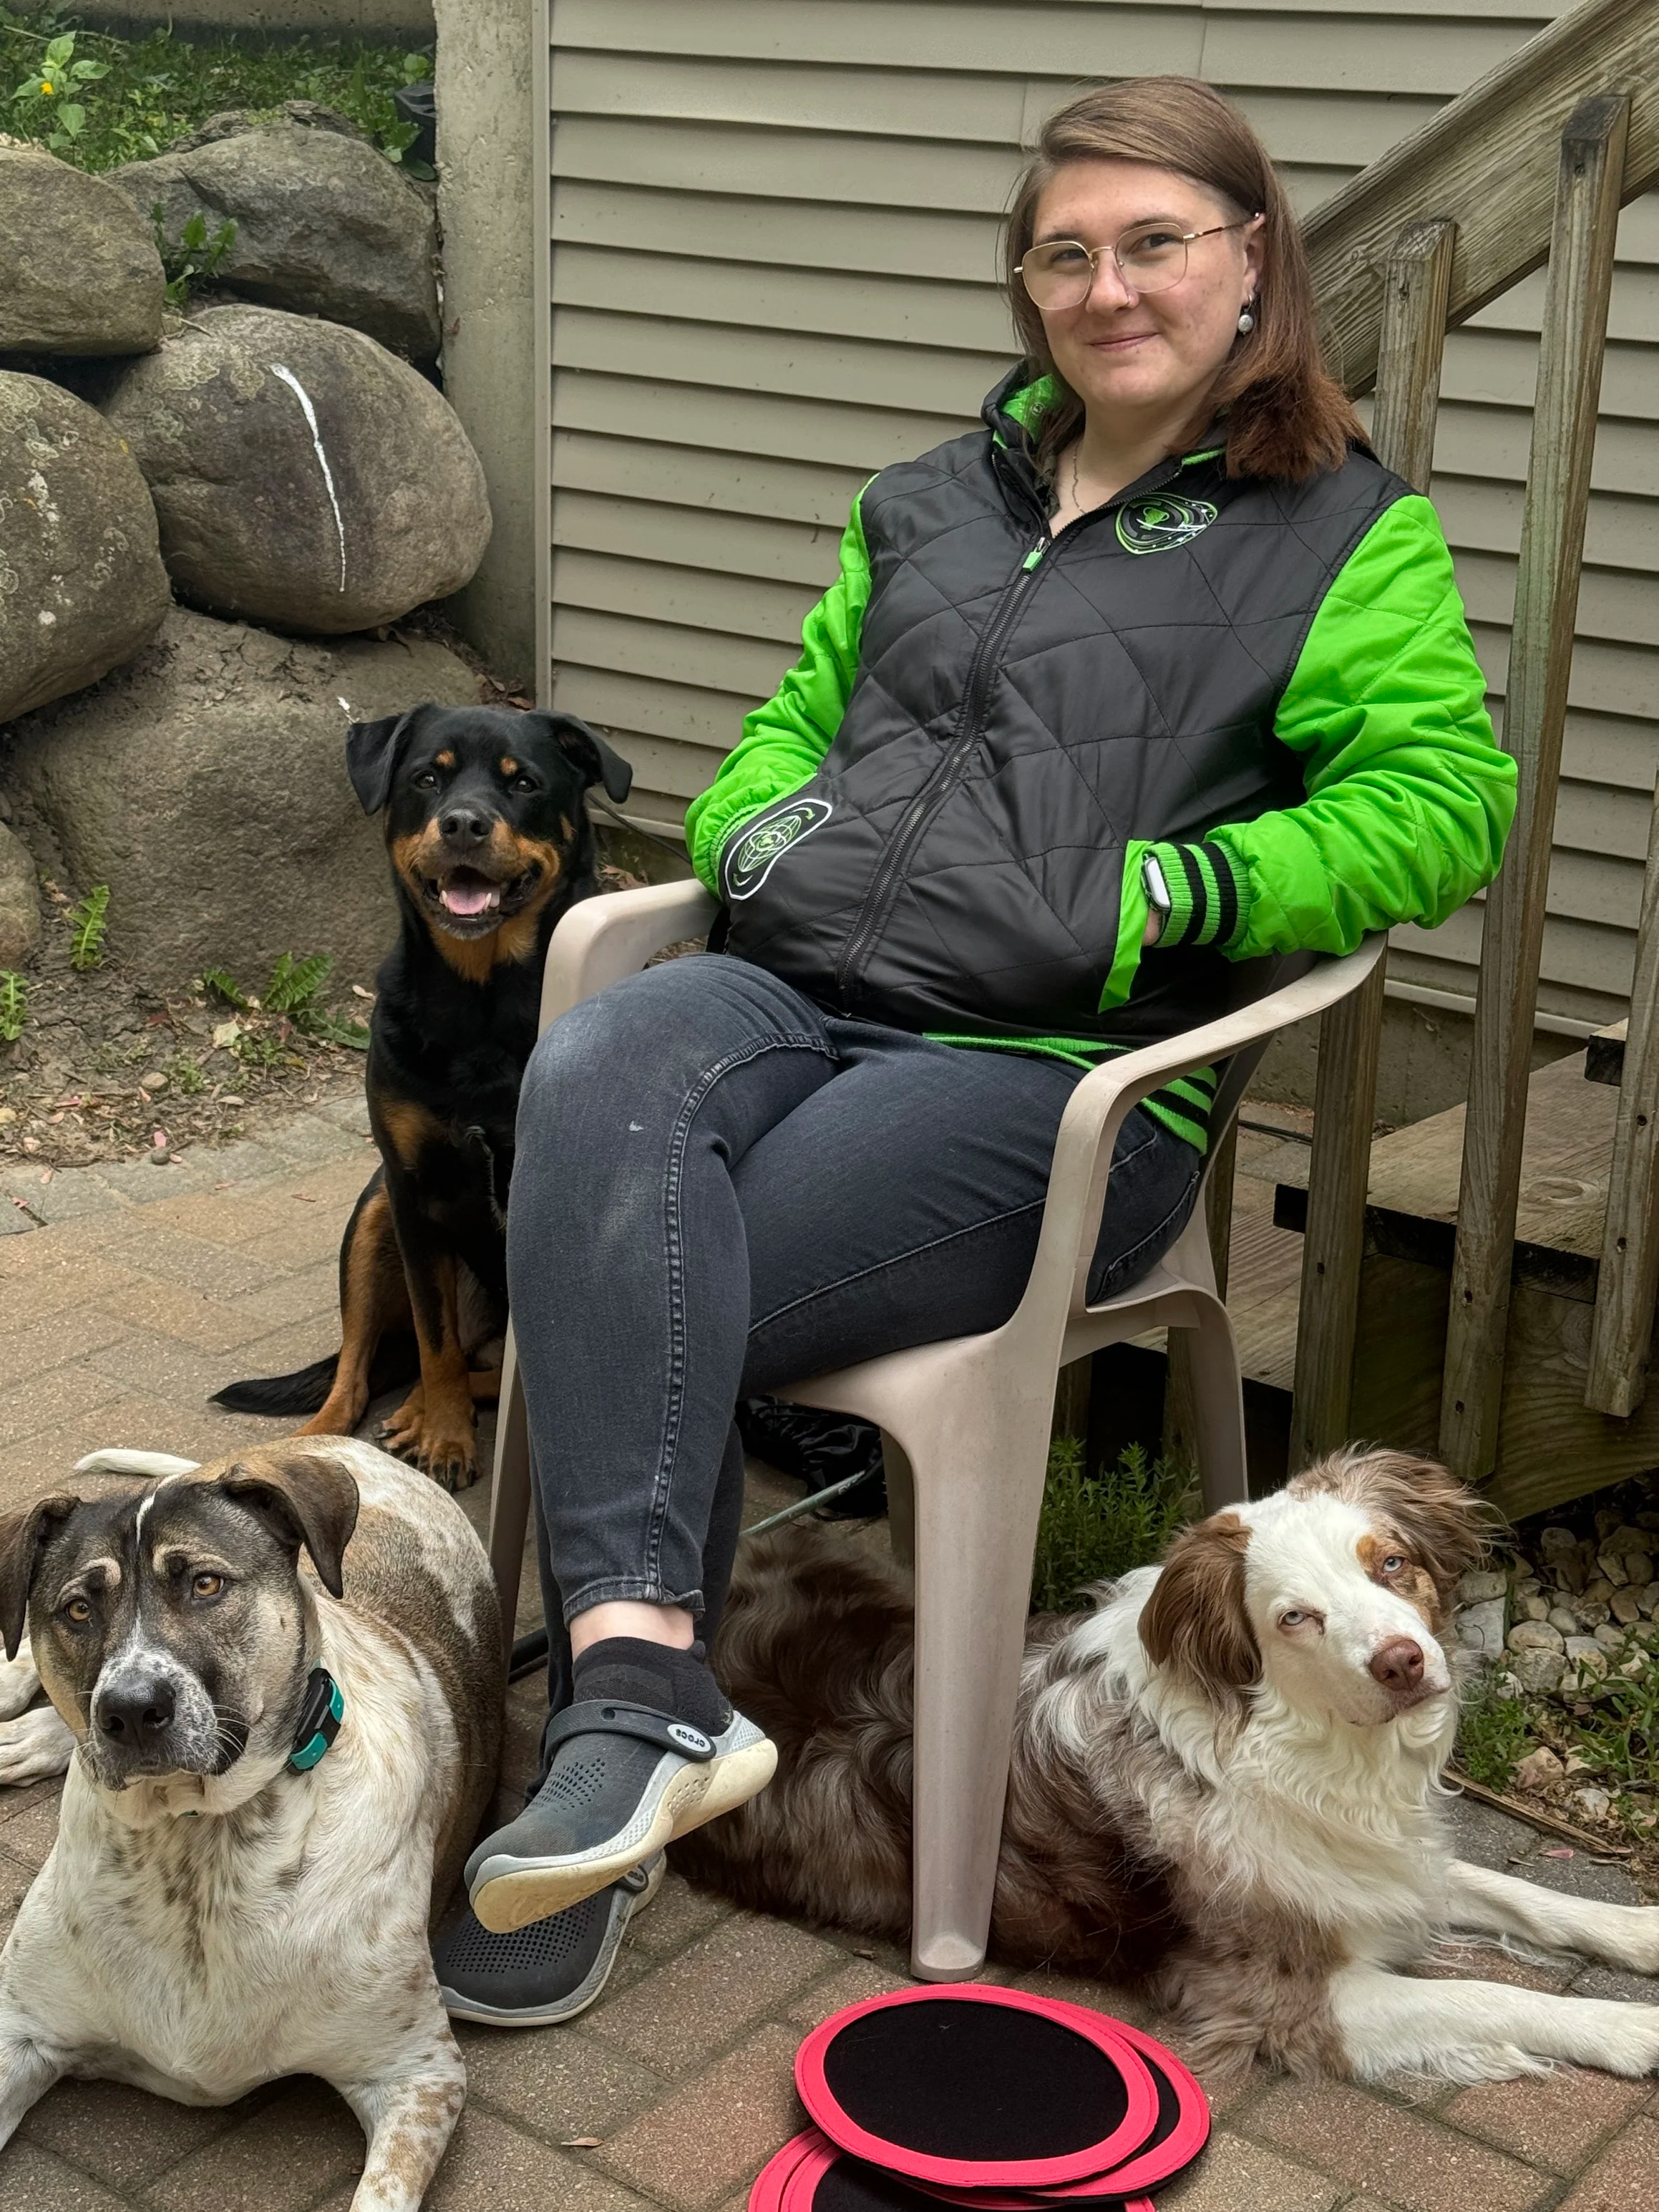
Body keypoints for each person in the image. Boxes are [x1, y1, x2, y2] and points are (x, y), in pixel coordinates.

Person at [432, 74, 1516, 2024]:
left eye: (1155, 241)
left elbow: (1442, 808)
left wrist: (1160, 900)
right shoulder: (926, 502)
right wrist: (760, 839)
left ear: (1251, 258)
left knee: (651, 1265)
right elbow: (783, 736)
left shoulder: (1345, 536)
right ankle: (648, 1701)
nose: (1108, 286)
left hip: (1054, 1073)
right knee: (584, 1083)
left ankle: (610, 1730)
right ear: (1025, 284)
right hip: (794, 989)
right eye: (1065, 252)